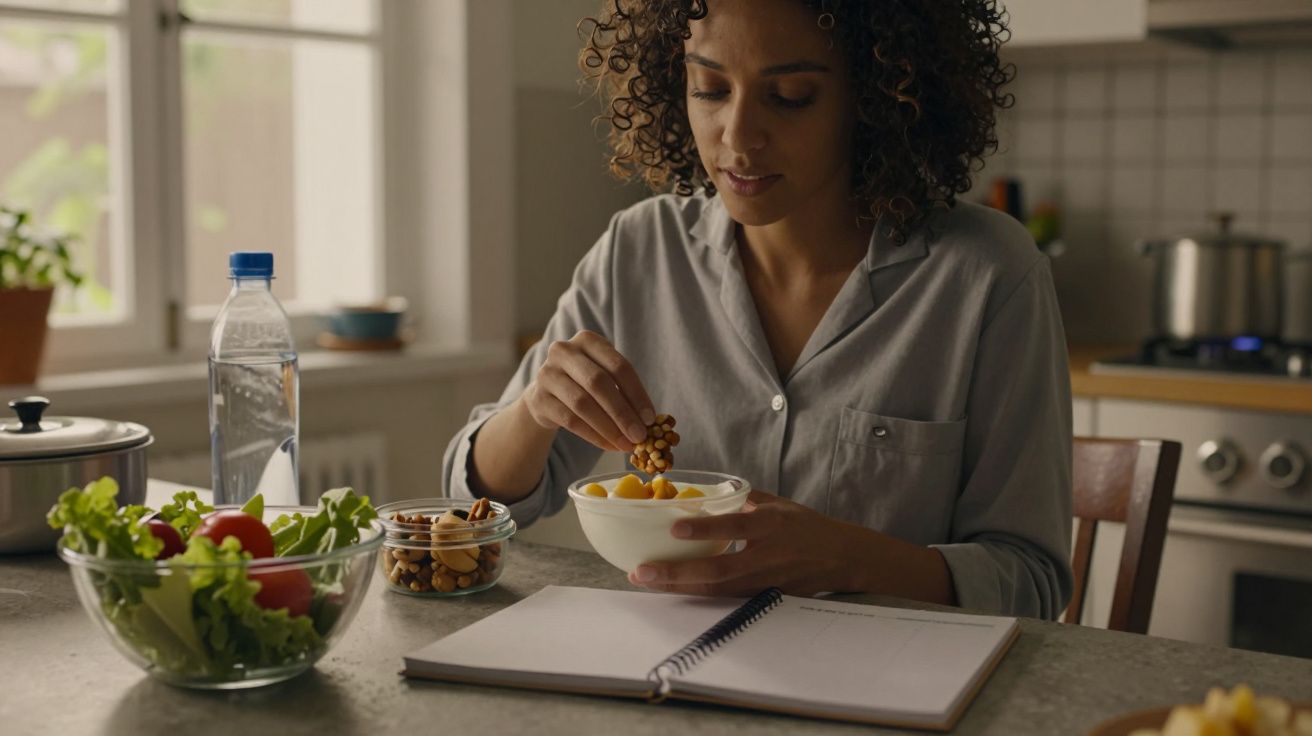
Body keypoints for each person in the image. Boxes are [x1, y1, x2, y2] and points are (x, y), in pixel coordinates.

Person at [443, 0, 1073, 619]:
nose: (738, 136)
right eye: (710, 89)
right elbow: (481, 503)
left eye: (791, 96)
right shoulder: (638, 249)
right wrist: (535, 409)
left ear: (875, 97)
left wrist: (847, 557)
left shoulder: (987, 273)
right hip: (669, 668)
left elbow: (1032, 581)